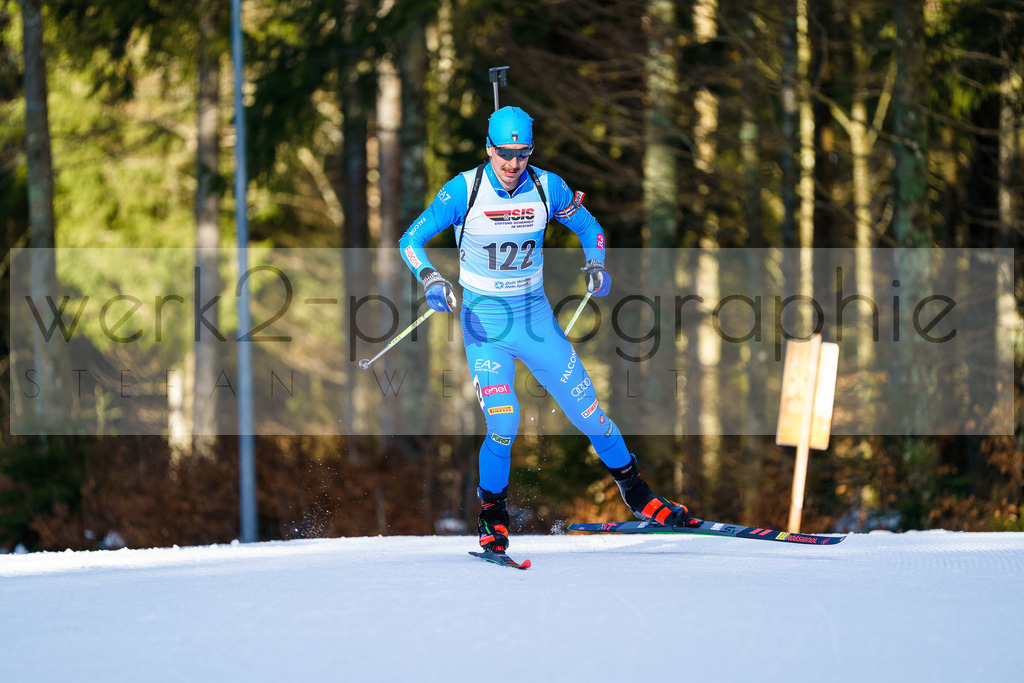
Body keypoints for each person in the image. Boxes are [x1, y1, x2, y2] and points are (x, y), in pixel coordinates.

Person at [399, 106, 699, 554]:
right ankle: (492, 515)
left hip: (535, 320)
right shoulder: (464, 190)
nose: (512, 164)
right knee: (504, 422)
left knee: (589, 415)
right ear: (489, 149)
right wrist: (430, 279)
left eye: (522, 153)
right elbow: (410, 241)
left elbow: (590, 225)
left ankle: (638, 494)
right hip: (486, 324)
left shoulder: (546, 186)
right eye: (504, 153)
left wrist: (595, 263)